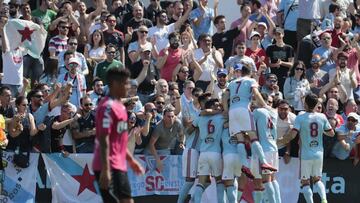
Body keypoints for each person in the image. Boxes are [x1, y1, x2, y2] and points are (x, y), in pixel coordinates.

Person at [93, 68, 144, 203]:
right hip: (107, 165)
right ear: (115, 84)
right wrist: (105, 169)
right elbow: (104, 139)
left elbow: (119, 141)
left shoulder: (121, 107)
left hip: (119, 164)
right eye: (126, 83)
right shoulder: (107, 107)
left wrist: (131, 160)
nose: (129, 87)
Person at [223, 63, 277, 179]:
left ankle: (245, 165)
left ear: (241, 72)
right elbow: (256, 93)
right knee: (253, 137)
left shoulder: (232, 82)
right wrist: (264, 105)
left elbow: (224, 96)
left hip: (233, 110)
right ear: (251, 72)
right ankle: (263, 162)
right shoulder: (250, 80)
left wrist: (226, 111)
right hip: (243, 109)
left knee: (240, 140)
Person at [288, 93, 334, 203]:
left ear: (306, 104)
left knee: (305, 182)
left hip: (306, 154)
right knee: (317, 179)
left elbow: (293, 135)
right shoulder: (322, 116)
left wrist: (284, 138)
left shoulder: (301, 117)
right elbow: (331, 133)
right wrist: (320, 130)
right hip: (318, 153)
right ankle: (324, 199)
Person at [252, 93, 281, 203]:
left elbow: (251, 130)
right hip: (273, 147)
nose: (254, 101)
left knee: (265, 181)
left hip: (263, 149)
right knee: (272, 179)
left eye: (255, 98)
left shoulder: (257, 112)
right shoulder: (274, 111)